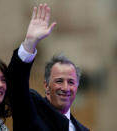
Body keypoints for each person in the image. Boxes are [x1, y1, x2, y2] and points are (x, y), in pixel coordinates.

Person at [7, 3, 89, 131]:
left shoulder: (83, 129)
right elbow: (15, 85)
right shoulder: (32, 111)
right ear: (46, 86)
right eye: (59, 81)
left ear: (77, 87)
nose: (65, 87)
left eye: (71, 82)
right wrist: (30, 43)